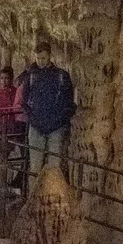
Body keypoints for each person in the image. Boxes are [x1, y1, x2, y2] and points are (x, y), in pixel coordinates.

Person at [19, 39, 75, 177]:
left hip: (56, 126)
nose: (40, 61)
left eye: (43, 58)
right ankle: (34, 196)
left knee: (54, 167)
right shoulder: (31, 76)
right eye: (38, 58)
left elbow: (68, 101)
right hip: (37, 125)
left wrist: (61, 120)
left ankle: (52, 196)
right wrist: (32, 117)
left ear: (50, 56)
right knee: (35, 166)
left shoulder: (61, 76)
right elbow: (24, 100)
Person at [0, 65, 24, 188]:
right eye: (2, 78)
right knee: (3, 155)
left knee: (20, 153)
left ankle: (17, 180)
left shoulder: (15, 92)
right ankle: (2, 182)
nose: (4, 81)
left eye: (6, 78)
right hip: (0, 127)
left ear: (11, 79)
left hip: (14, 126)